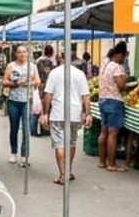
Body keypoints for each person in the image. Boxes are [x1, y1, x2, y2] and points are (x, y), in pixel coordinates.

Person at [40, 53, 92, 184]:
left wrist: (45, 113)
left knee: (60, 144)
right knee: (71, 142)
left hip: (58, 113)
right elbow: (85, 95)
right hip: (75, 113)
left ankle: (63, 175)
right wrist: (88, 113)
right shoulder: (80, 74)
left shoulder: (54, 73)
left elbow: (48, 94)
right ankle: (68, 171)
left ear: (60, 59)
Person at [1, 45, 40, 166]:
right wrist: (15, 83)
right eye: (20, 52)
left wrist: (28, 83)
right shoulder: (11, 66)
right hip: (13, 101)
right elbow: (4, 81)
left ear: (27, 54)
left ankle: (25, 155)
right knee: (14, 128)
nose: (22, 54)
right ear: (16, 54)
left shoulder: (32, 66)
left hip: (26, 101)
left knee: (26, 128)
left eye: (24, 52)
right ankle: (13, 152)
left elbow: (37, 81)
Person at [97, 42, 130, 172]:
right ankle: (112, 163)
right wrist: (130, 84)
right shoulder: (117, 67)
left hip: (103, 99)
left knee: (104, 131)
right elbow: (121, 85)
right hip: (114, 101)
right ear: (119, 54)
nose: (124, 60)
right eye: (124, 56)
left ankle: (101, 161)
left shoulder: (106, 65)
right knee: (113, 133)